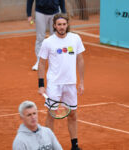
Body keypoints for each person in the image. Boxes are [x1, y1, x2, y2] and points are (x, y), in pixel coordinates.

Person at [38, 13, 85, 150]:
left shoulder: (75, 39)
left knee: (73, 114)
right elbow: (41, 63)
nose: (62, 27)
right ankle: (48, 146)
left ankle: (74, 145)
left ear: (67, 25)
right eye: (59, 24)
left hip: (70, 83)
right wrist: (41, 85)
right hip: (54, 84)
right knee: (51, 114)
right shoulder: (48, 42)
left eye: (64, 24)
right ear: (54, 26)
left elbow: (80, 60)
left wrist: (81, 82)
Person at [26, 0, 66, 71]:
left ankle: (55, 61)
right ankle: (39, 61)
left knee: (55, 38)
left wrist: (64, 13)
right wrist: (29, 14)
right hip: (40, 12)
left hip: (55, 12)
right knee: (40, 37)